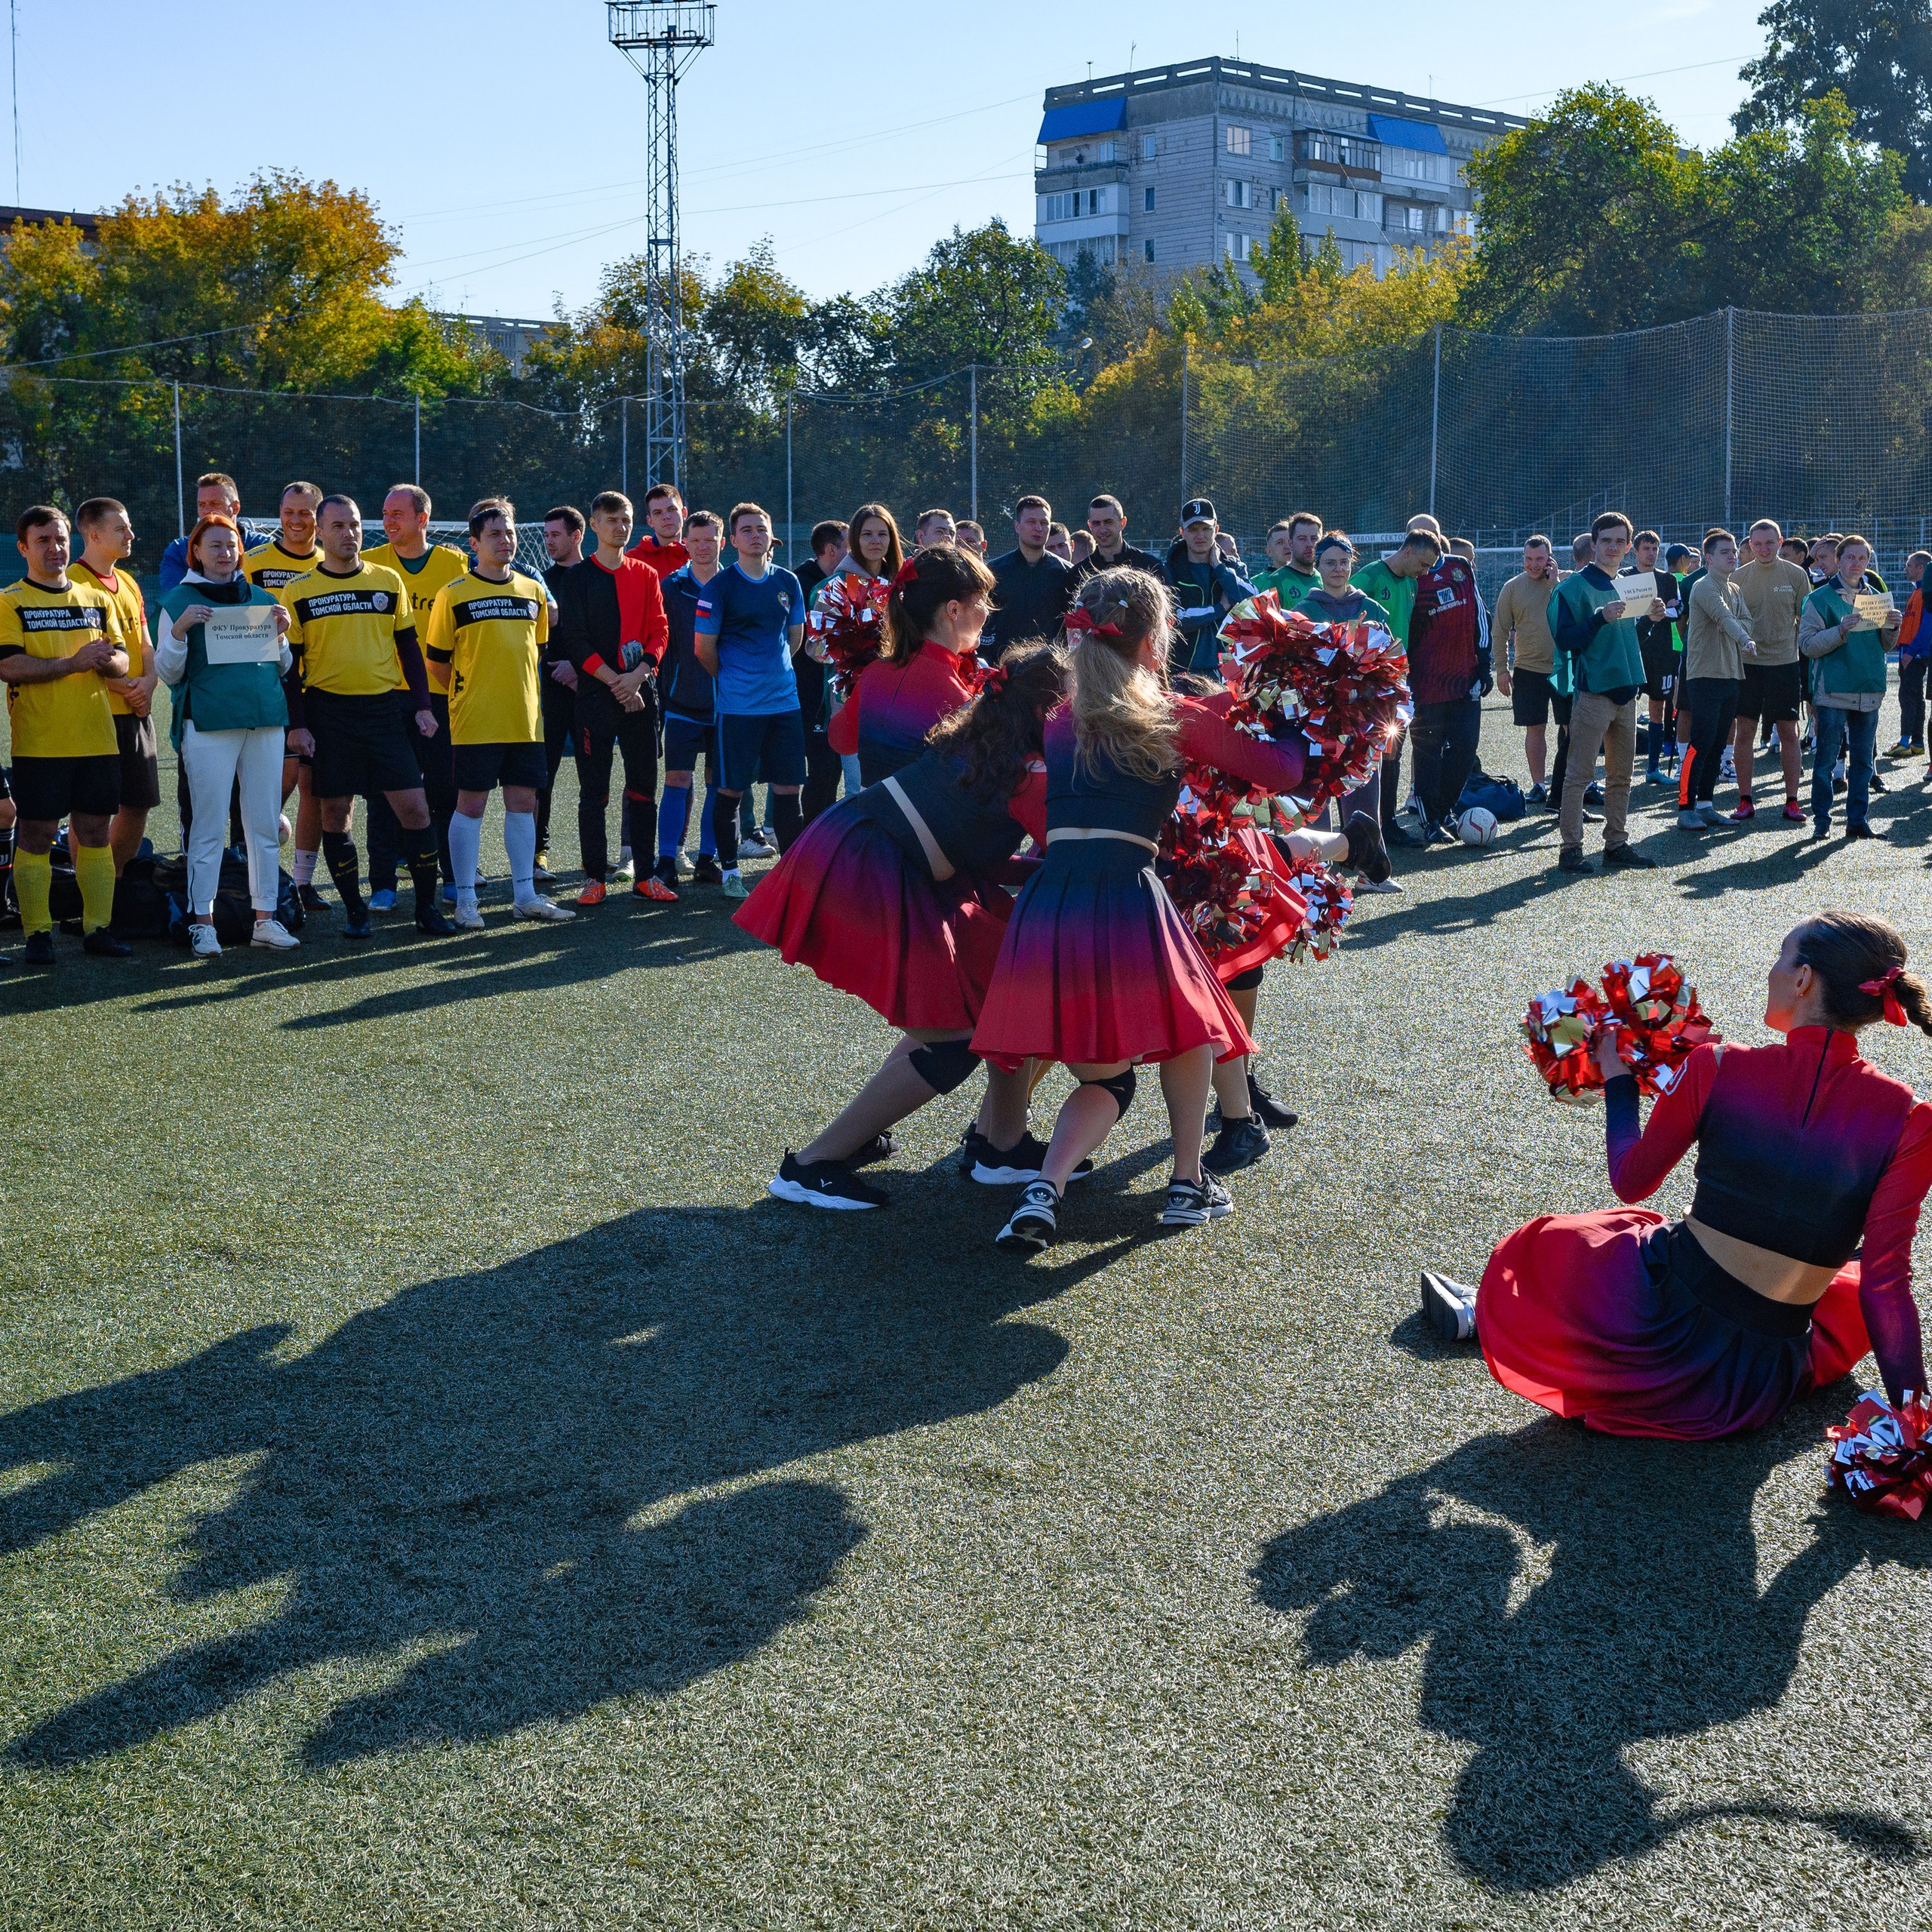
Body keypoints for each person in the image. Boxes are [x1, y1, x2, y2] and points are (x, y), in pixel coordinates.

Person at [1423, 915, 1932, 1445]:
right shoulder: (1913, 1118)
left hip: (1657, 1341)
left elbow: (1631, 1179)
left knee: (1598, 1233)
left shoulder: (1716, 1066)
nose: (1770, 972)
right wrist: (1915, 1423)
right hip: (1756, 1384)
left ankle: (1483, 1308)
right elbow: (1887, 1284)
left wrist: (1618, 1081)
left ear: (1803, 979)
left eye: (1781, 957)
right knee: (1848, 1279)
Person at [971, 568, 1316, 1253]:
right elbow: (1283, 773)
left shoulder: (1059, 719)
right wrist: (1293, 715)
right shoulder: (1169, 715)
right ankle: (1186, 1185)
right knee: (1191, 1031)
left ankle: (1045, 1189)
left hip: (1050, 902)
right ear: (1156, 638)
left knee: (1106, 1075)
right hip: (1127, 894)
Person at [736, 639, 1066, 1211]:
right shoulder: (1028, 769)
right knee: (958, 1038)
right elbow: (1076, 852)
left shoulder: (989, 740)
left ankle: (1001, 1148)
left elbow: (973, 845)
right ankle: (812, 1165)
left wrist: (1031, 866)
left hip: (872, 853)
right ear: (1046, 711)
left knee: (986, 1003)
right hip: (872, 865)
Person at [278, 494, 453, 940]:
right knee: (336, 814)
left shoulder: (387, 580)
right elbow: (289, 669)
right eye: (337, 526)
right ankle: (356, 911)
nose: (348, 534)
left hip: (383, 710)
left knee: (415, 809)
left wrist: (422, 706)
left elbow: (410, 650)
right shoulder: (299, 591)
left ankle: (428, 909)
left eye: (354, 525)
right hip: (328, 713)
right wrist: (298, 724)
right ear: (320, 532)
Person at [423, 497, 576, 928]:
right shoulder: (452, 595)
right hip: (475, 719)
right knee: (470, 805)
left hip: (525, 719)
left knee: (523, 804)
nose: (505, 540)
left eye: (509, 532)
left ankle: (525, 895)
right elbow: (437, 662)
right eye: (494, 534)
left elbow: (537, 650)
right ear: (474, 543)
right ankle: (466, 899)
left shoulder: (532, 591)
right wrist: (473, 688)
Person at [154, 514, 301, 956]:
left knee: (262, 824)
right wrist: (179, 632)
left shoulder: (261, 598)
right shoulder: (177, 601)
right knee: (208, 826)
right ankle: (202, 922)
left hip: (265, 720)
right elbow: (167, 672)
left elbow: (282, 667)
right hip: (209, 724)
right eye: (214, 545)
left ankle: (266, 919)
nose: (225, 552)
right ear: (195, 552)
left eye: (231, 544)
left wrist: (281, 637)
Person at [0, 506, 129, 964]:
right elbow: (10, 665)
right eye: (43, 542)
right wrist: (73, 663)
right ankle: (38, 933)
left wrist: (107, 661)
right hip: (40, 742)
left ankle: (98, 928)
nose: (55, 549)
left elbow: (122, 660)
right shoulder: (10, 600)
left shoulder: (97, 598)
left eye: (60, 540)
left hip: (97, 738)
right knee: (36, 834)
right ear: (23, 548)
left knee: (95, 831)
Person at [551, 491, 672, 906]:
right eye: (611, 520)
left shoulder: (646, 575)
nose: (620, 527)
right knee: (594, 793)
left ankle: (646, 875)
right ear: (595, 525)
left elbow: (660, 632)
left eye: (625, 520)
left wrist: (637, 678)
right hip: (596, 700)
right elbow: (575, 641)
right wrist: (616, 682)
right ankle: (594, 877)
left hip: (641, 698)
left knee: (643, 789)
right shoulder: (577, 578)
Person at [694, 502, 808, 902]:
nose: (755, 535)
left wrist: (772, 676)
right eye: (747, 530)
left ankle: (792, 873)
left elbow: (794, 640)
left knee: (789, 792)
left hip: (784, 706)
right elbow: (704, 649)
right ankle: (730, 872)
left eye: (761, 528)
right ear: (733, 540)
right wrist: (735, 681)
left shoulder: (788, 582)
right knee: (730, 792)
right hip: (739, 710)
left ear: (771, 534)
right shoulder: (719, 588)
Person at [364, 486, 469, 910]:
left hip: (441, 696)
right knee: (382, 793)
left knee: (444, 790)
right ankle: (383, 884)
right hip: (385, 696)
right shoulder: (370, 564)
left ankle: (447, 877)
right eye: (385, 513)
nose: (389, 521)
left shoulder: (455, 563)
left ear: (423, 519)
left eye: (398, 514)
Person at [1548, 511, 1663, 875]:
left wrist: (1649, 620)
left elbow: (1629, 639)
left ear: (1629, 547)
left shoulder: (1629, 584)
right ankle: (1570, 850)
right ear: (1593, 544)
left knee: (1621, 777)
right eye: (1606, 540)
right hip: (1593, 693)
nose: (1613, 547)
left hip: (1628, 694)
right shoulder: (1572, 588)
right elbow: (1566, 640)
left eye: (1619, 541)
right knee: (1579, 776)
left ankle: (1616, 844)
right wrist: (1598, 617)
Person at [829, 542, 985, 789]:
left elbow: (840, 739)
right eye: (980, 601)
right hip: (926, 824)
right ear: (953, 609)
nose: (986, 612)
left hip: (871, 818)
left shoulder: (874, 673)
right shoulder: (957, 698)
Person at [245, 482, 330, 906]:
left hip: (313, 686)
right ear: (278, 513)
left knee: (312, 783)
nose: (296, 521)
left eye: (306, 513)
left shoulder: (328, 563)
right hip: (263, 684)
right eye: (289, 512)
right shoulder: (252, 562)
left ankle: (301, 882)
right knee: (266, 784)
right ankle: (252, 874)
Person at [68, 498, 159, 879]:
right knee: (91, 812)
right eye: (121, 528)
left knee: (138, 805)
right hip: (97, 713)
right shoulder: (72, 582)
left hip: (138, 711)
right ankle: (87, 893)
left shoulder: (128, 581)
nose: (130, 534)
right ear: (93, 534)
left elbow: (144, 642)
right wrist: (127, 688)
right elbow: (79, 655)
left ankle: (115, 885)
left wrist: (150, 682)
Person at [1801, 534, 1899, 841]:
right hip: (1832, 692)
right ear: (1838, 560)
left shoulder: (1878, 599)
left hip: (1869, 689)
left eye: (1862, 558)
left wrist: (1893, 627)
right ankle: (1822, 820)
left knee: (1863, 763)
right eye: (1850, 557)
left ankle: (1857, 820)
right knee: (1826, 761)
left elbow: (1885, 645)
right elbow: (1807, 646)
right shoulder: (1818, 599)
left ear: (1868, 562)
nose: (1856, 563)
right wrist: (1839, 630)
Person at [652, 509, 727, 893]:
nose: (702, 546)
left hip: (729, 705)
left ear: (722, 542)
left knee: (719, 783)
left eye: (709, 540)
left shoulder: (736, 585)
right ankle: (666, 860)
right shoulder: (671, 587)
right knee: (677, 780)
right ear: (687, 544)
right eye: (695, 540)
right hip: (682, 702)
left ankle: (706, 859)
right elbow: (662, 645)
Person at [1351, 528, 1439, 844]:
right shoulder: (1370, 576)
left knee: (1393, 749)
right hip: (1369, 680)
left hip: (1397, 678)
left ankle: (1386, 825)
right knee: (1367, 751)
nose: (1426, 572)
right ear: (1408, 551)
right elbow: (1348, 618)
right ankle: (1366, 826)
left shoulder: (1413, 583)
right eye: (1424, 563)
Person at [814, 503, 903, 800]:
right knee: (861, 789)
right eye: (867, 534)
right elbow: (813, 648)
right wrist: (852, 653)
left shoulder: (903, 586)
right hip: (852, 697)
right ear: (854, 539)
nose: (875, 541)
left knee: (899, 787)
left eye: (882, 534)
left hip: (901, 696)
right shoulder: (833, 586)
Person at [1405, 540, 1491, 843]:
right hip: (1425, 686)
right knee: (1428, 755)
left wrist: (1483, 663)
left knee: (1466, 748)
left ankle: (1445, 811)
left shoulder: (1461, 567)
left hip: (1464, 680)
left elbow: (1482, 615)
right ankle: (1431, 821)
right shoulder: (1408, 575)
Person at [1729, 518, 1812, 824]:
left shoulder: (1796, 575)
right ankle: (1745, 800)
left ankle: (1792, 801)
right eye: (1758, 543)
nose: (1764, 549)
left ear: (1780, 542)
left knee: (1788, 733)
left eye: (1770, 543)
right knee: (1745, 733)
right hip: (1748, 667)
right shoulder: (1736, 578)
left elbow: (1806, 621)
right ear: (1750, 546)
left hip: (1785, 665)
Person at [1675, 528, 1754, 830]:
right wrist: (1742, 637)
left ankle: (1706, 805)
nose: (1733, 556)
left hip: (1731, 674)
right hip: (1704, 675)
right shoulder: (1703, 587)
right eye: (1725, 552)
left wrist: (1737, 628)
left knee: (1719, 744)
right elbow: (1725, 618)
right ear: (1708, 558)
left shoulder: (1734, 589)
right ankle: (1685, 807)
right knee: (1701, 743)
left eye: (1734, 551)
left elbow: (1743, 620)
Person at [533, 505, 585, 881]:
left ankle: (592, 856)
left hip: (590, 690)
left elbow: (607, 633)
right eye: (546, 535)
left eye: (555, 535)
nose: (548, 541)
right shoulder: (540, 581)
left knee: (594, 775)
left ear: (577, 535)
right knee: (542, 775)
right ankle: (538, 853)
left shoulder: (596, 577)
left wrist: (581, 670)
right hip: (548, 692)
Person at [1492, 536, 1563, 804]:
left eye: (1540, 559)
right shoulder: (1512, 588)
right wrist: (1501, 669)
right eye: (1529, 559)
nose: (1534, 565)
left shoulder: (1563, 583)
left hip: (1562, 667)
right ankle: (1539, 785)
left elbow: (1572, 613)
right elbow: (1499, 631)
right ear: (1523, 558)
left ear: (1550, 558)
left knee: (1569, 728)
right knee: (1535, 729)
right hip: (1527, 669)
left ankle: (1567, 784)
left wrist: (1555, 583)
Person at [793, 519, 849, 823]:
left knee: (831, 768)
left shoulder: (851, 583)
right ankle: (807, 839)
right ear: (831, 550)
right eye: (849, 546)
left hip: (836, 698)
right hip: (808, 697)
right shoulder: (801, 585)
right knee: (818, 769)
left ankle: (822, 837)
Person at [1164, 497, 1256, 673]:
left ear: (1217, 529)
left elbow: (1254, 604)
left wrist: (1220, 569)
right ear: (1182, 532)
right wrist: (1220, 608)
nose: (1200, 536)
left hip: (1230, 671)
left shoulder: (1233, 567)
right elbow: (1174, 619)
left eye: (1206, 529)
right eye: (1193, 529)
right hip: (1182, 671)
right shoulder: (1168, 570)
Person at [1625, 528, 1681, 788]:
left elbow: (1679, 609)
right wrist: (1652, 612)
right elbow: (1625, 613)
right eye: (1645, 548)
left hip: (1662, 653)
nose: (1651, 553)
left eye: (1654, 549)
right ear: (1635, 551)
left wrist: (1664, 611)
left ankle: (1653, 769)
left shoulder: (1668, 579)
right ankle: (1622, 769)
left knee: (1658, 708)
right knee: (1624, 709)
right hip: (1633, 651)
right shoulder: (1625, 577)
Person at [988, 495, 1075, 661]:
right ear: (1017, 526)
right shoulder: (994, 571)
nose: (1038, 528)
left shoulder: (1066, 573)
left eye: (1044, 523)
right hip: (1006, 670)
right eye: (1031, 522)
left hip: (1053, 669)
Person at [159, 473, 257, 593]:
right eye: (202, 505)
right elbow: (175, 599)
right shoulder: (178, 551)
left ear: (235, 507)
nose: (207, 511)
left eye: (215, 504)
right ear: (196, 551)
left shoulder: (261, 546)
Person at [1888, 549, 1930, 758]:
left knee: (1907, 697)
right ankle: (1917, 742)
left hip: (1916, 655)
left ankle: (1905, 742)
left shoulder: (1926, 593)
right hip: (1911, 652)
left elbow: (1927, 628)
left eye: (1909, 565)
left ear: (1921, 568)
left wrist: (1911, 652)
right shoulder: (1917, 592)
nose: (1906, 568)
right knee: (1916, 698)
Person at [1071, 494, 1164, 588]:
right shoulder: (1078, 575)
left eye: (1109, 522)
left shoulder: (1150, 567)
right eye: (1096, 524)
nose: (1103, 529)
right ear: (1090, 525)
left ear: (1122, 523)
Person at [1251, 511, 1321, 606]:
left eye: (1314, 538)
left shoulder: (1325, 578)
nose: (1309, 544)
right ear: (1291, 543)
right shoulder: (1275, 581)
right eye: (1302, 539)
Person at [626, 482, 689, 580]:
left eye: (671, 509)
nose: (666, 517)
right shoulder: (633, 560)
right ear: (650, 521)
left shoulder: (698, 554)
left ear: (684, 513)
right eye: (658, 513)